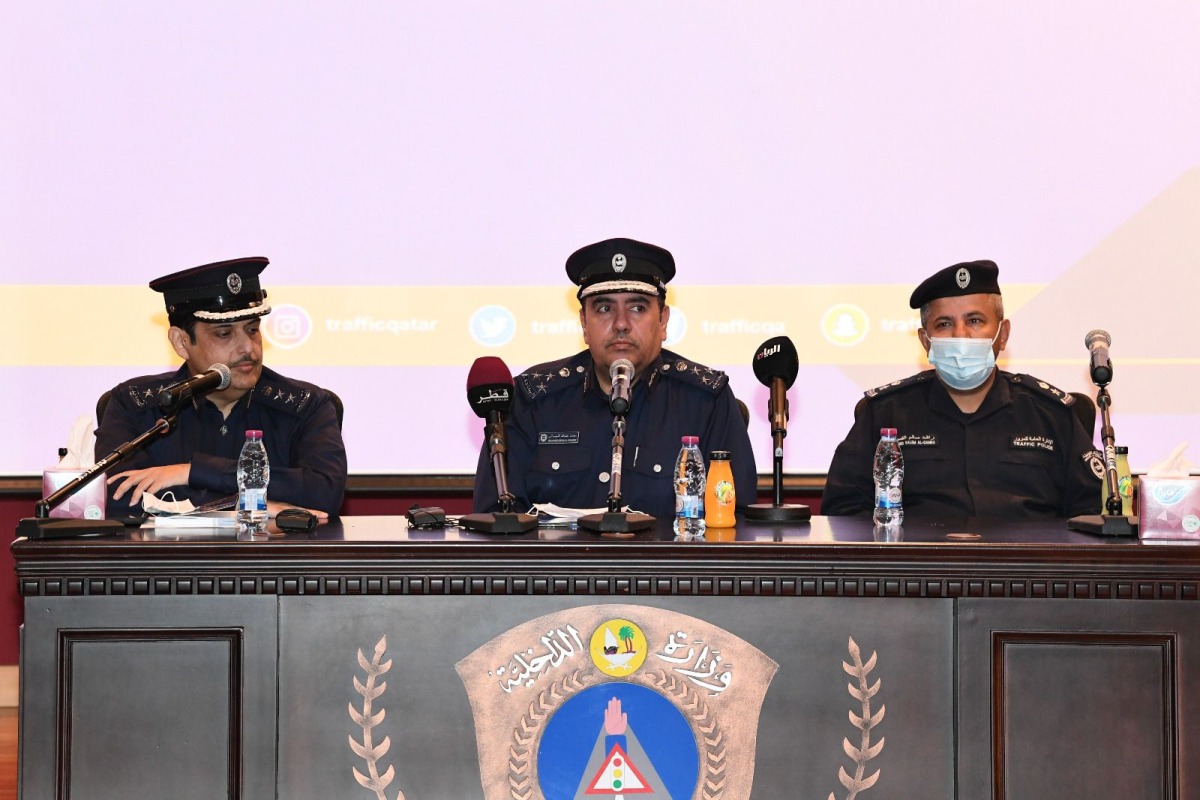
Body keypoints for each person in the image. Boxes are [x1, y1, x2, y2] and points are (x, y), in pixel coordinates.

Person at [471, 237, 757, 520]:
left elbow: (736, 519)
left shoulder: (706, 401)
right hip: (558, 567)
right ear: (584, 322)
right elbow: (495, 518)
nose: (621, 324)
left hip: (668, 566)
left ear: (663, 320)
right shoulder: (533, 399)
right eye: (604, 308)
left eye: (638, 308)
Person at [822, 260, 1103, 519]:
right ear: (925, 340)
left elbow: (1092, 510)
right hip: (919, 570)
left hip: (1027, 570)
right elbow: (842, 512)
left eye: (975, 321)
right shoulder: (884, 413)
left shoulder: (1050, 414)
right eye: (944, 324)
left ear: (1002, 334)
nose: (960, 335)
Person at [95, 257, 348, 516]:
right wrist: (244, 506)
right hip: (172, 557)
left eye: (252, 330)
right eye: (224, 334)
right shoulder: (135, 404)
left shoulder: (306, 405)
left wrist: (190, 473)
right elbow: (119, 497)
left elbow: (323, 494)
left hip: (270, 557)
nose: (248, 348)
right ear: (182, 342)